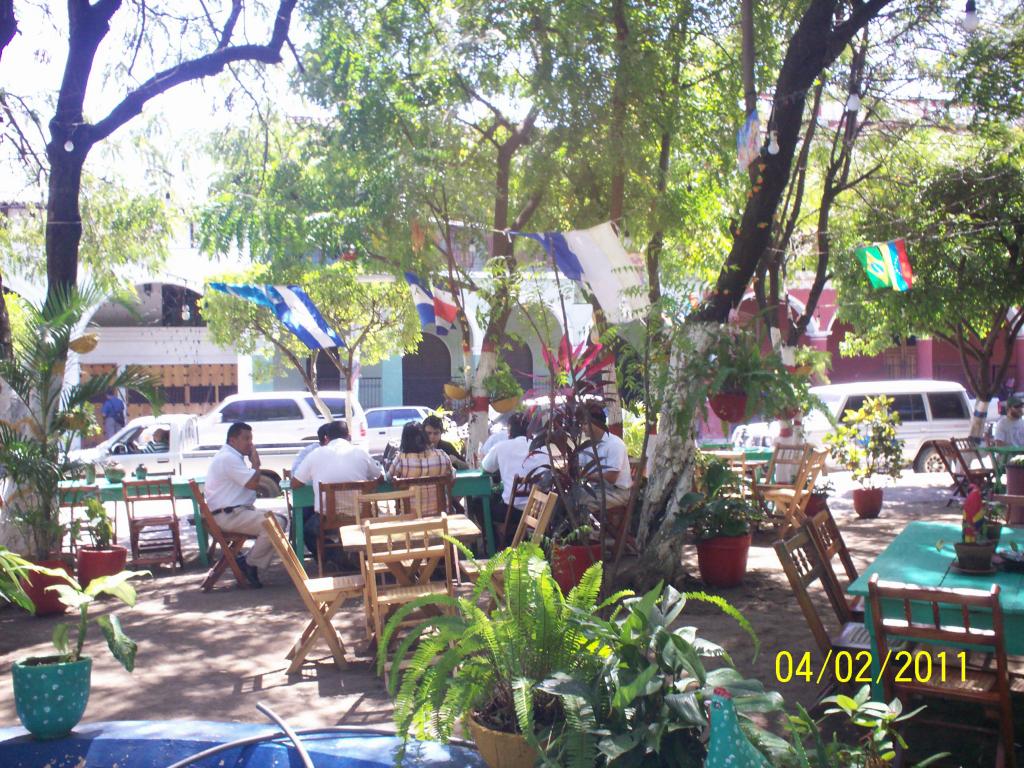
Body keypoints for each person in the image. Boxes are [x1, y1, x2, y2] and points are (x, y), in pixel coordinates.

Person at [291, 420, 382, 568]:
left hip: (328, 520)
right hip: (360, 515)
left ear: (326, 437)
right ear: (349, 436)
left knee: (307, 531)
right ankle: (352, 556)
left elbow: (295, 484)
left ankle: (338, 557)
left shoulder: (316, 454)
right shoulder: (360, 453)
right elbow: (380, 477)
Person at [204, 421, 284, 587]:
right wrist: (256, 464)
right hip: (229, 515)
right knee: (275, 524)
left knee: (279, 521)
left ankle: (249, 562)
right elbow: (252, 484)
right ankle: (249, 563)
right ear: (233, 440)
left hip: (234, 513)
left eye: (251, 438)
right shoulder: (228, 458)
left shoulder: (231, 456)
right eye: (246, 438)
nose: (250, 443)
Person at [481, 412, 534, 544]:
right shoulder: (542, 446)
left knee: (482, 505)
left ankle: (497, 543)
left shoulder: (502, 447)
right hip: (539, 509)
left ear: (509, 430)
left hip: (513, 511)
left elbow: (485, 468)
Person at [573, 404, 632, 511]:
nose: (582, 428)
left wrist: (585, 475)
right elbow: (576, 465)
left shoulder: (615, 444)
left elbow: (611, 477)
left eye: (585, 423)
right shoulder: (587, 445)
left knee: (580, 503)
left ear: (597, 424)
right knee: (567, 496)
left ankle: (586, 527)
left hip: (616, 493)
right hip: (597, 490)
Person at [289, 423, 333, 562]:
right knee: (305, 523)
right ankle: (328, 555)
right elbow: (295, 477)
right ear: (327, 439)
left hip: (333, 508)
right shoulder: (311, 452)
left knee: (310, 525)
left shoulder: (342, 452)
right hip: (315, 503)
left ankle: (330, 555)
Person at [390, 421, 453, 516]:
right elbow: (451, 476)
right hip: (441, 516)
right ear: (425, 437)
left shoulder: (401, 460)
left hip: (410, 519)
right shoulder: (442, 455)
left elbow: (389, 478)